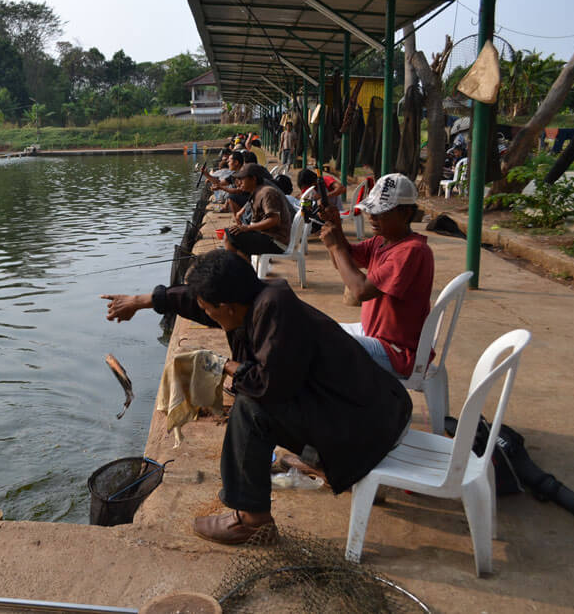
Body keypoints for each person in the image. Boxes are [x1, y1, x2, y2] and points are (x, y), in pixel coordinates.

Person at [101, 249, 412, 545]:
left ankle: (252, 520)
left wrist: (222, 365)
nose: (205, 315)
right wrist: (140, 301)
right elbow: (195, 302)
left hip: (369, 428)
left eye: (210, 310)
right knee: (248, 390)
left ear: (227, 307)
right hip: (371, 411)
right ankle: (322, 462)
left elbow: (266, 387)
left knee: (250, 409)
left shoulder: (275, 313)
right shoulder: (254, 297)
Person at [319, 173, 434, 378]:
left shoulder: (411, 251)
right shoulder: (382, 241)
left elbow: (360, 290)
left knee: (323, 350)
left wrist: (335, 245)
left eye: (381, 212)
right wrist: (335, 228)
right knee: (316, 329)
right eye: (370, 211)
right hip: (374, 334)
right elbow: (345, 261)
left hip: (396, 351)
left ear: (406, 213)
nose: (372, 217)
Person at [224, 163, 291, 260]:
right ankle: (245, 269)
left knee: (229, 236)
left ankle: (235, 271)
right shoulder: (256, 192)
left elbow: (274, 220)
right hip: (266, 236)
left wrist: (247, 228)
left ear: (253, 179)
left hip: (276, 241)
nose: (239, 183)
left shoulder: (267, 193)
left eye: (242, 179)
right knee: (234, 234)